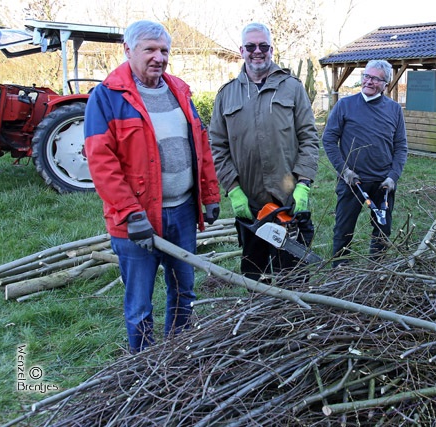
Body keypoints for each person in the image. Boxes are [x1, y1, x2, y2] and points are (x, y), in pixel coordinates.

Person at [84, 20, 221, 354]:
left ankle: (178, 354)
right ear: (128, 50)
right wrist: (131, 214)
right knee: (140, 303)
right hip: (138, 220)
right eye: (150, 49)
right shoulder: (107, 98)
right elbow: (102, 164)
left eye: (164, 50)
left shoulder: (180, 90)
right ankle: (143, 366)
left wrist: (210, 193)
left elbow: (200, 147)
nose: (158, 57)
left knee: (184, 290)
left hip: (184, 212)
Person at [209, 22, 319, 281]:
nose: (257, 51)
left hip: (288, 199)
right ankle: (257, 318)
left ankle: (293, 319)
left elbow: (309, 138)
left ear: (271, 49)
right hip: (250, 204)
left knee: (293, 276)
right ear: (241, 50)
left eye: (263, 46)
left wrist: (304, 182)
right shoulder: (227, 94)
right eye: (250, 46)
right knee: (254, 275)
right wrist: (233, 188)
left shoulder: (292, 87)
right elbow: (217, 145)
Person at [322, 59, 408, 267]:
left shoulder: (394, 109)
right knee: (344, 228)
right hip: (353, 182)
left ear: (385, 83)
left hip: (382, 182)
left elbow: (401, 147)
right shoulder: (345, 105)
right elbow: (328, 139)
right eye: (366, 76)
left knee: (382, 229)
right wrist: (345, 171)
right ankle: (340, 269)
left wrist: (393, 176)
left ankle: (375, 269)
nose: (369, 81)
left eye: (375, 79)